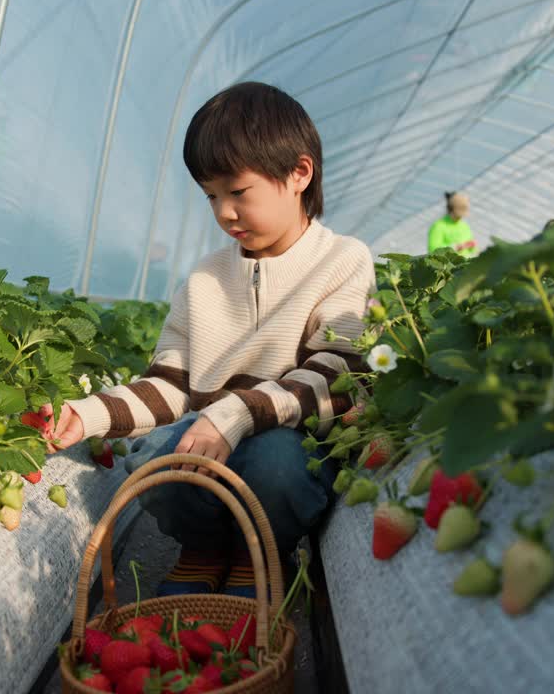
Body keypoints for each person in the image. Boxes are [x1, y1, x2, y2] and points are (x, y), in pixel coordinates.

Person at [37, 82, 373, 598]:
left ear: (299, 173)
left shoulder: (342, 261)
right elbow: (170, 384)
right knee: (156, 460)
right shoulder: (205, 280)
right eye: (211, 196)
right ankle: (203, 550)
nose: (224, 212)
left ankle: (262, 554)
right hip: (208, 440)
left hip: (291, 439)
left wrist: (234, 413)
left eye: (238, 192)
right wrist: (89, 415)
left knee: (275, 466)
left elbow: (336, 374)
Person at [427, 191, 477, 255]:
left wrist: (472, 246)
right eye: (460, 209)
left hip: (466, 264)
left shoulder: (465, 226)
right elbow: (433, 249)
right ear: (451, 209)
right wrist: (454, 247)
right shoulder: (438, 226)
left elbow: (472, 249)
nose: (461, 216)